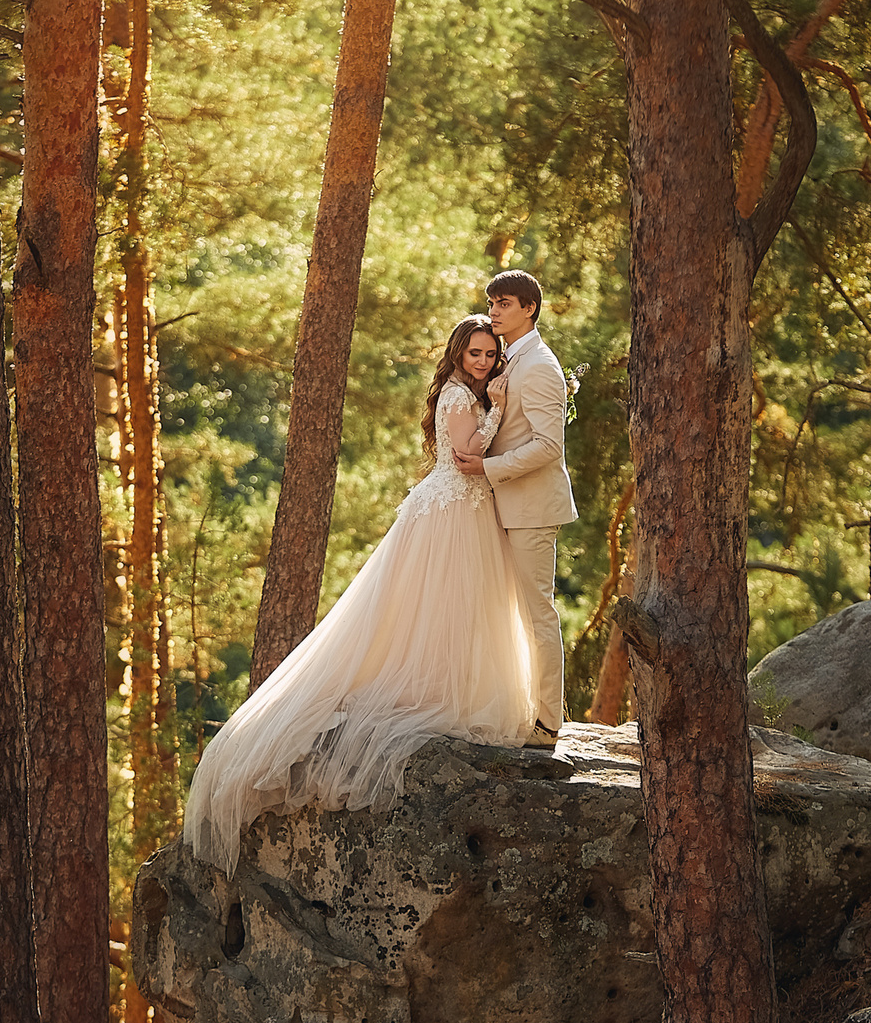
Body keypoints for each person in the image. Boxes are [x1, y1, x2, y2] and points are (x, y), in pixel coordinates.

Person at [182, 316, 538, 872]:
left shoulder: (462, 391)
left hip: (458, 508)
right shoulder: (461, 398)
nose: (483, 360)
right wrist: (495, 407)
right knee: (444, 605)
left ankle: (452, 680)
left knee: (454, 610)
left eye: (490, 353)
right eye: (474, 352)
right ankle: (439, 688)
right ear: (457, 354)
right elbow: (469, 459)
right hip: (453, 510)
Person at [452, 270, 576, 748]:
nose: (494, 310)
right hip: (500, 506)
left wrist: (488, 469)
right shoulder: (509, 359)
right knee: (507, 616)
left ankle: (547, 724)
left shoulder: (540, 365)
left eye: (503, 303)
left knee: (537, 614)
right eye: (491, 302)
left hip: (530, 508)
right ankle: (516, 707)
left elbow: (549, 446)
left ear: (529, 308)